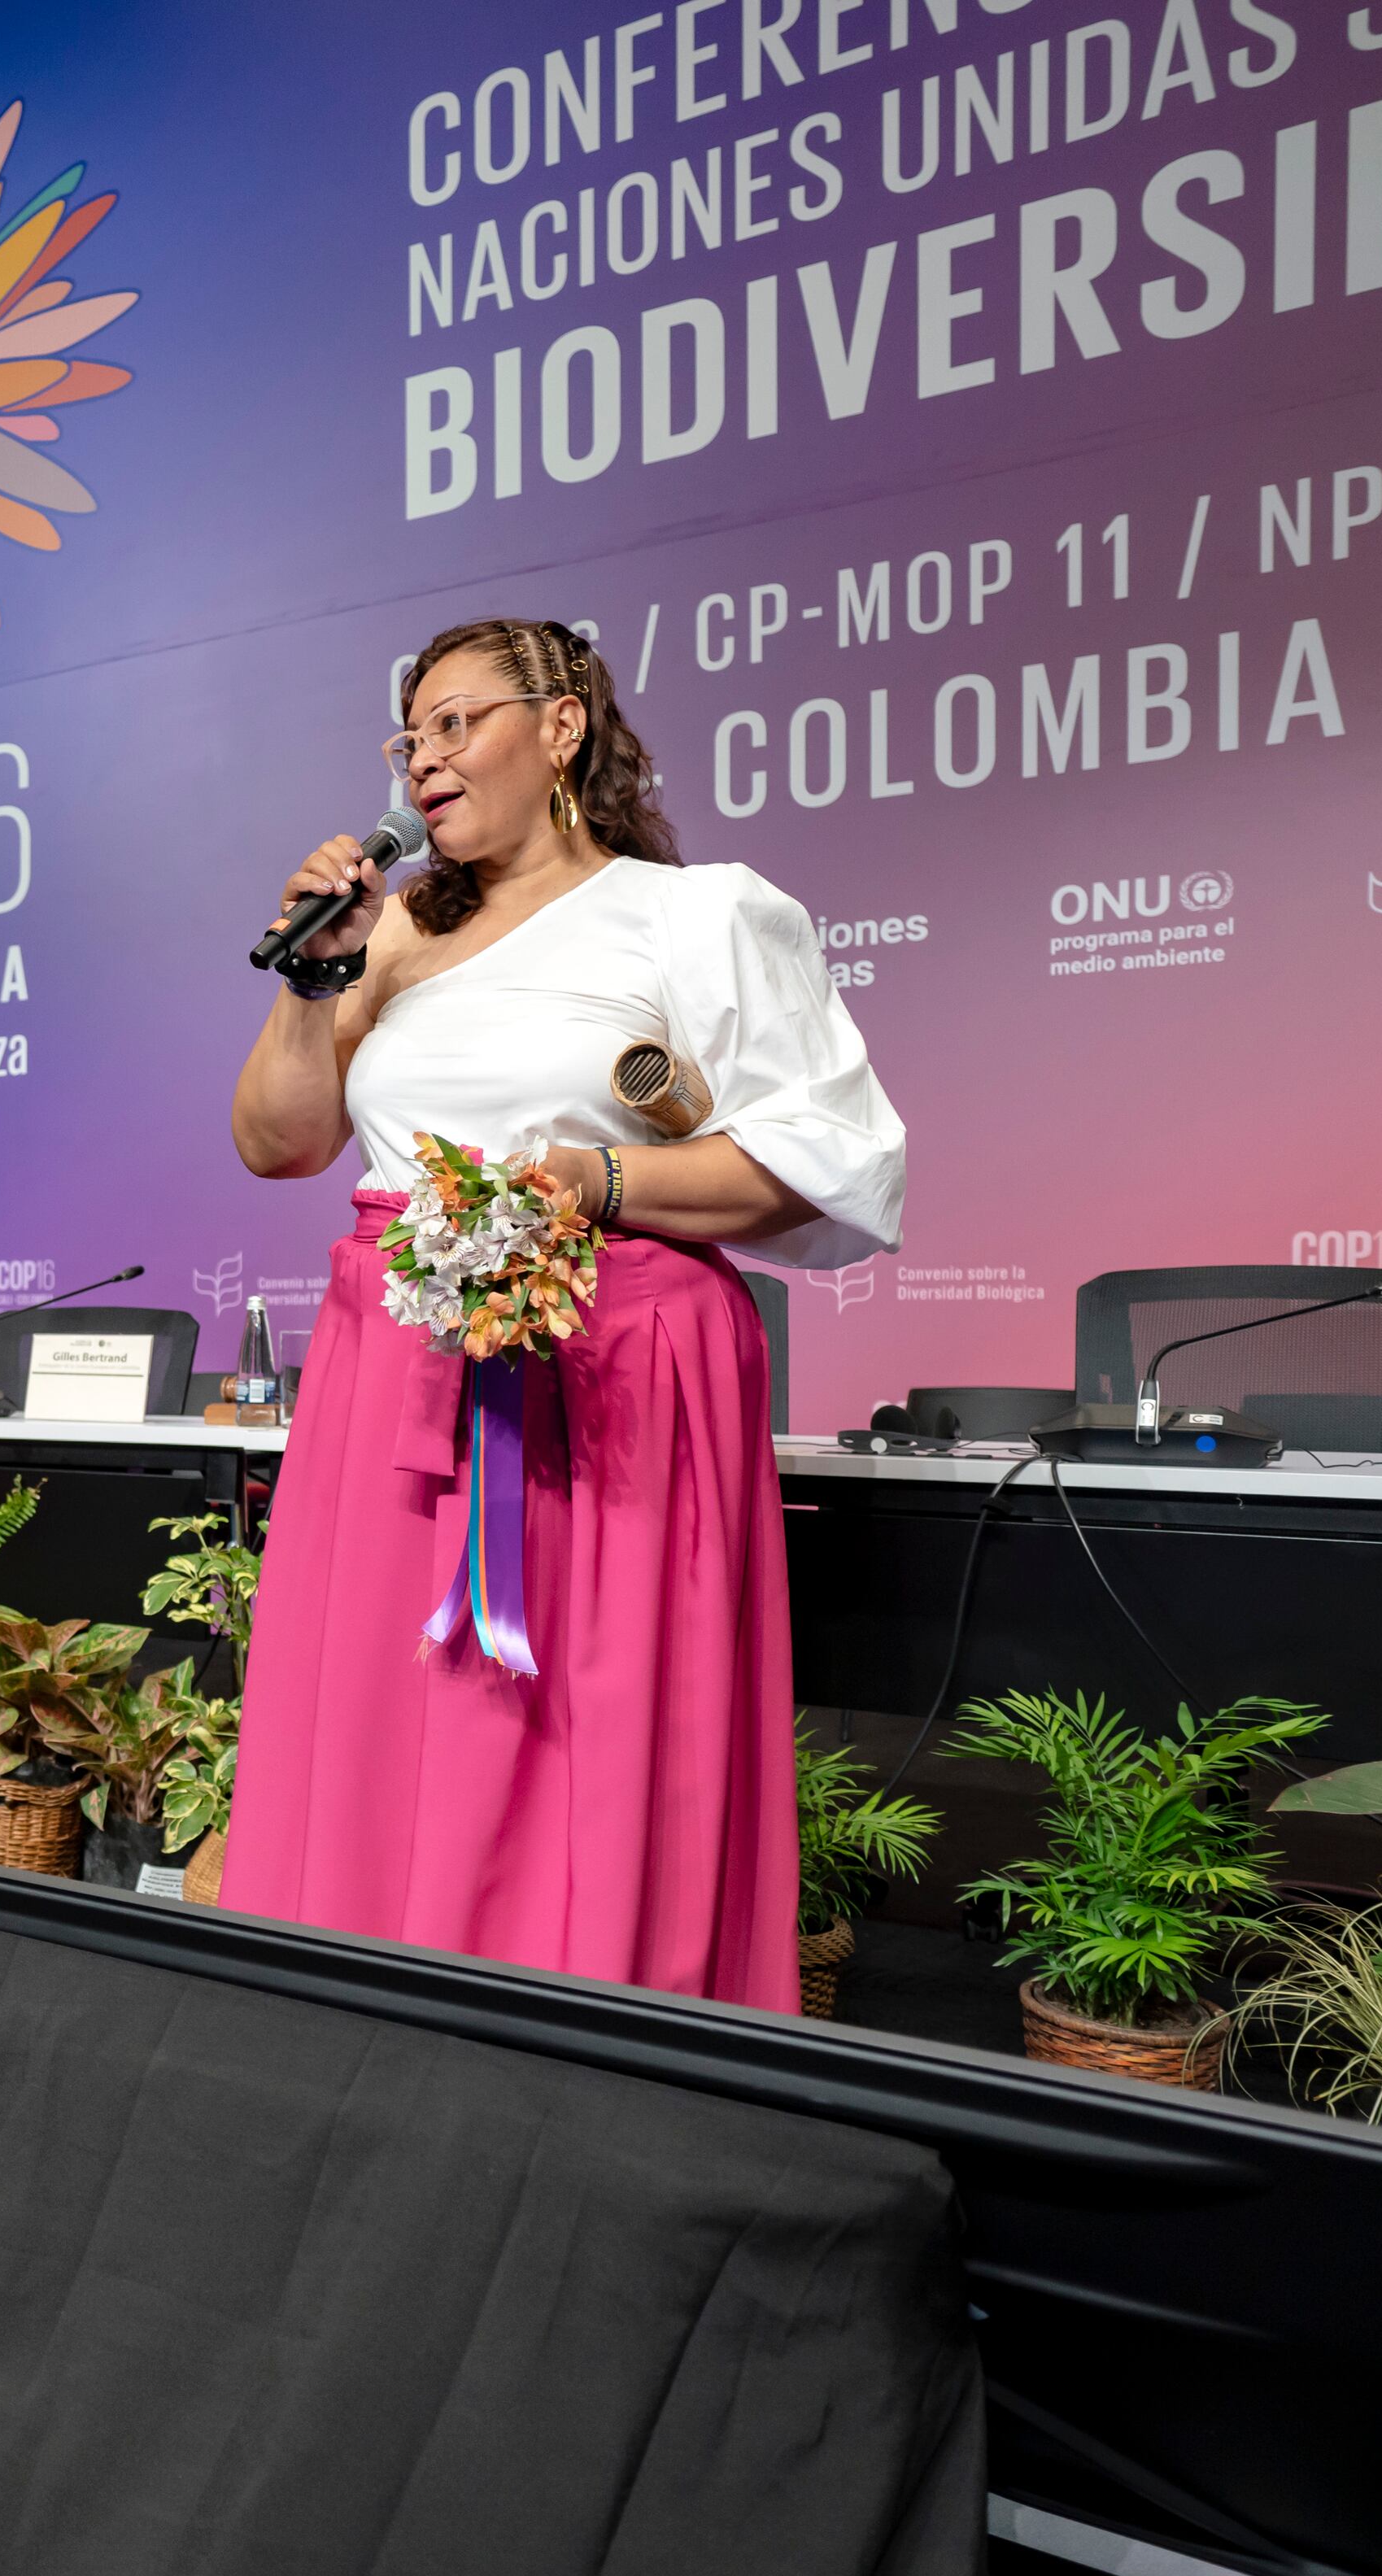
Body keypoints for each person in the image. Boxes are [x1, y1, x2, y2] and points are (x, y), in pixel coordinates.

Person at [217, 618, 904, 2010]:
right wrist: (312, 982)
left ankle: (589, 2029)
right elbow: (279, 1142)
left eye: (457, 723)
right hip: (396, 1374)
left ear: (563, 726)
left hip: (610, 1375)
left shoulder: (693, 916)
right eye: (409, 738)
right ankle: (370, 2022)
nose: (425, 761)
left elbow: (830, 1163)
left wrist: (602, 1180)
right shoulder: (396, 933)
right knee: (389, 1720)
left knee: (582, 1727)